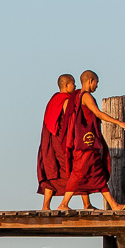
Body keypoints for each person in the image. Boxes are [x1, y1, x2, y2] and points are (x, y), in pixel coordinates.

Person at [57, 71, 125, 212]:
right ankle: (64, 203)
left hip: (89, 142)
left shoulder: (77, 96)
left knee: (97, 172)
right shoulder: (85, 96)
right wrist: (120, 123)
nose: (97, 85)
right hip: (84, 143)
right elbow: (98, 113)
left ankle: (114, 205)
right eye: (96, 82)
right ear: (90, 81)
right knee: (79, 172)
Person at [37, 74, 89, 210]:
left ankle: (46, 206)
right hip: (60, 141)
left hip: (49, 143)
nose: (75, 86)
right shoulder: (65, 100)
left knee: (52, 172)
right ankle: (83, 204)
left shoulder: (53, 99)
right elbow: (70, 120)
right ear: (66, 86)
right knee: (76, 168)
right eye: (73, 84)